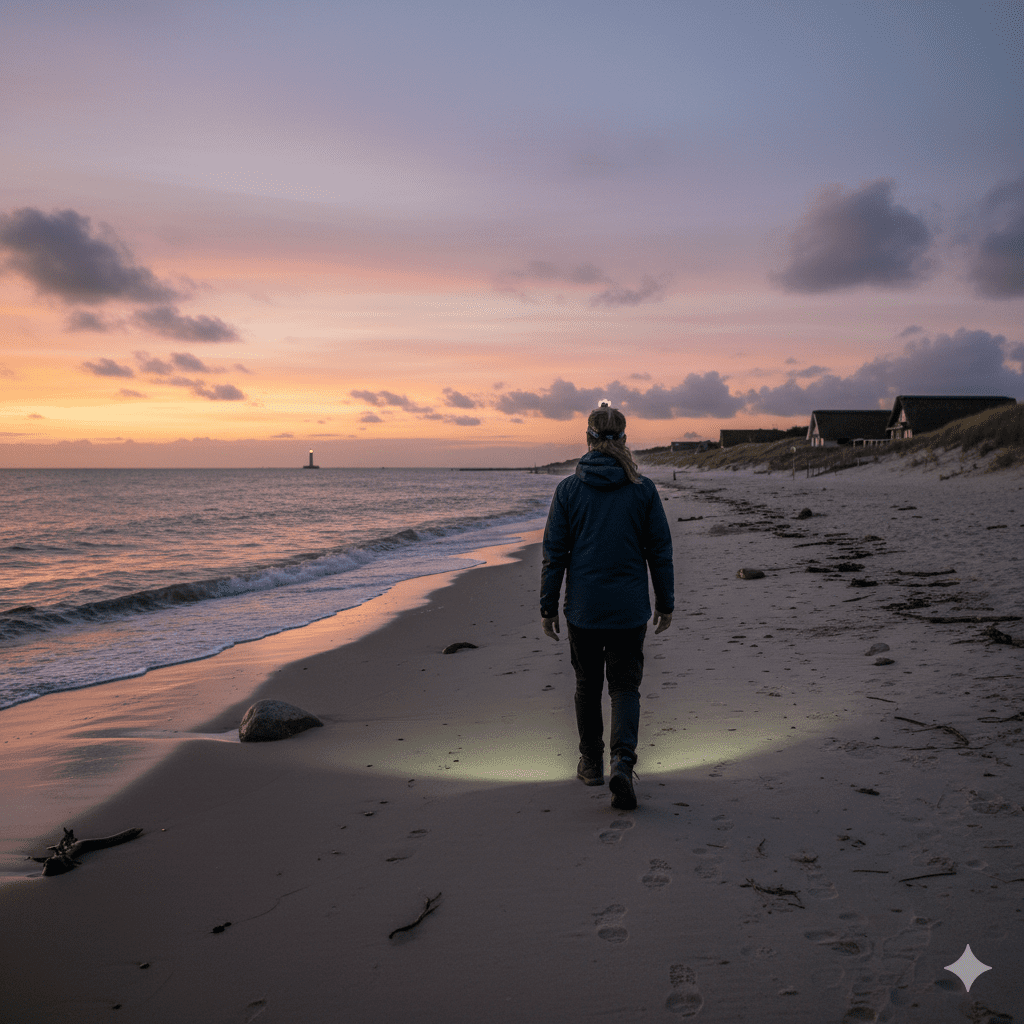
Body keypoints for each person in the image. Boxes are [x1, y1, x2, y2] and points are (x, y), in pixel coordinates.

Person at [540, 404, 674, 810]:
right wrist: (665, 603)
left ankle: (590, 763)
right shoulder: (642, 489)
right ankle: (622, 761)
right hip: (629, 608)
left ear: (588, 439)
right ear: (624, 439)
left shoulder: (567, 490)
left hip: (583, 609)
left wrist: (547, 607)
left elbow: (554, 555)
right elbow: (660, 552)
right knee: (624, 687)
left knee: (587, 686)